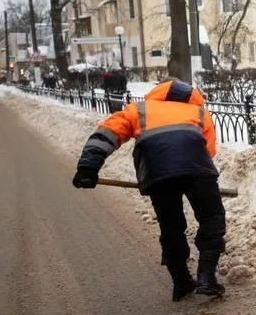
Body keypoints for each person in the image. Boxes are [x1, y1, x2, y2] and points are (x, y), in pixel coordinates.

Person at [71, 80, 227, 301]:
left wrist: (88, 168)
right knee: (211, 219)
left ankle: (181, 283)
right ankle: (206, 277)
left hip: (157, 174)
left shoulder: (139, 110)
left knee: (171, 226)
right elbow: (209, 150)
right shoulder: (199, 112)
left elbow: (107, 134)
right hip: (197, 170)